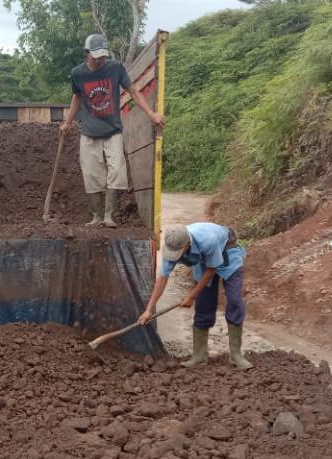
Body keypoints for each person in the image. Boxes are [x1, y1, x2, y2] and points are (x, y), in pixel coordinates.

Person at [60, 34, 166, 228]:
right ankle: (97, 216)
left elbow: (133, 91)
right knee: (91, 174)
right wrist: (67, 122)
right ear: (87, 53)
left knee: (116, 170)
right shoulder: (78, 73)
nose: (100, 60)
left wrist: (151, 114)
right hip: (89, 132)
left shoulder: (115, 68)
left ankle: (110, 216)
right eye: (95, 56)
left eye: (102, 56)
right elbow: (77, 97)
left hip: (113, 130)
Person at [138, 223, 252, 369]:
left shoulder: (207, 240)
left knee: (235, 300)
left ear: (187, 244)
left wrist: (191, 296)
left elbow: (211, 270)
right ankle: (199, 356)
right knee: (204, 304)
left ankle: (236, 355)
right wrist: (149, 309)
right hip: (204, 261)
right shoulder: (172, 245)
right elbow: (162, 278)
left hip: (227, 252)